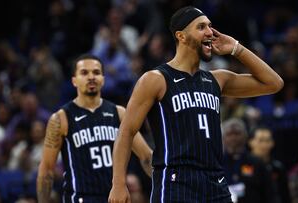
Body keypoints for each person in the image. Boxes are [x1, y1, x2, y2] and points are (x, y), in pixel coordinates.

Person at [109, 6, 283, 203]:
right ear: (181, 36)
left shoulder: (217, 79)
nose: (210, 32)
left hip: (215, 182)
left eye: (210, 26)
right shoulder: (156, 79)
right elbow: (126, 132)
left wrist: (236, 48)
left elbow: (274, 83)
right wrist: (118, 184)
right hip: (177, 182)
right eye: (201, 27)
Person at [36, 54, 152, 203]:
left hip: (114, 198)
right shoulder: (61, 118)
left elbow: (146, 157)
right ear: (74, 81)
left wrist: (166, 184)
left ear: (103, 79)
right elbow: (46, 169)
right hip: (80, 198)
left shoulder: (119, 113)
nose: (91, 77)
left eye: (96, 72)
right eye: (84, 73)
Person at [222, 119, 273, 203]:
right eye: (229, 134)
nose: (233, 138)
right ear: (223, 138)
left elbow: (269, 194)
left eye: (237, 133)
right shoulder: (217, 164)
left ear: (245, 136)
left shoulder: (257, 163)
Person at [249, 126, 291, 203]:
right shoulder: (244, 165)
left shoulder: (278, 168)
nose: (264, 145)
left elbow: (285, 196)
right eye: (260, 140)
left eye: (267, 140)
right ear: (251, 142)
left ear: (272, 143)